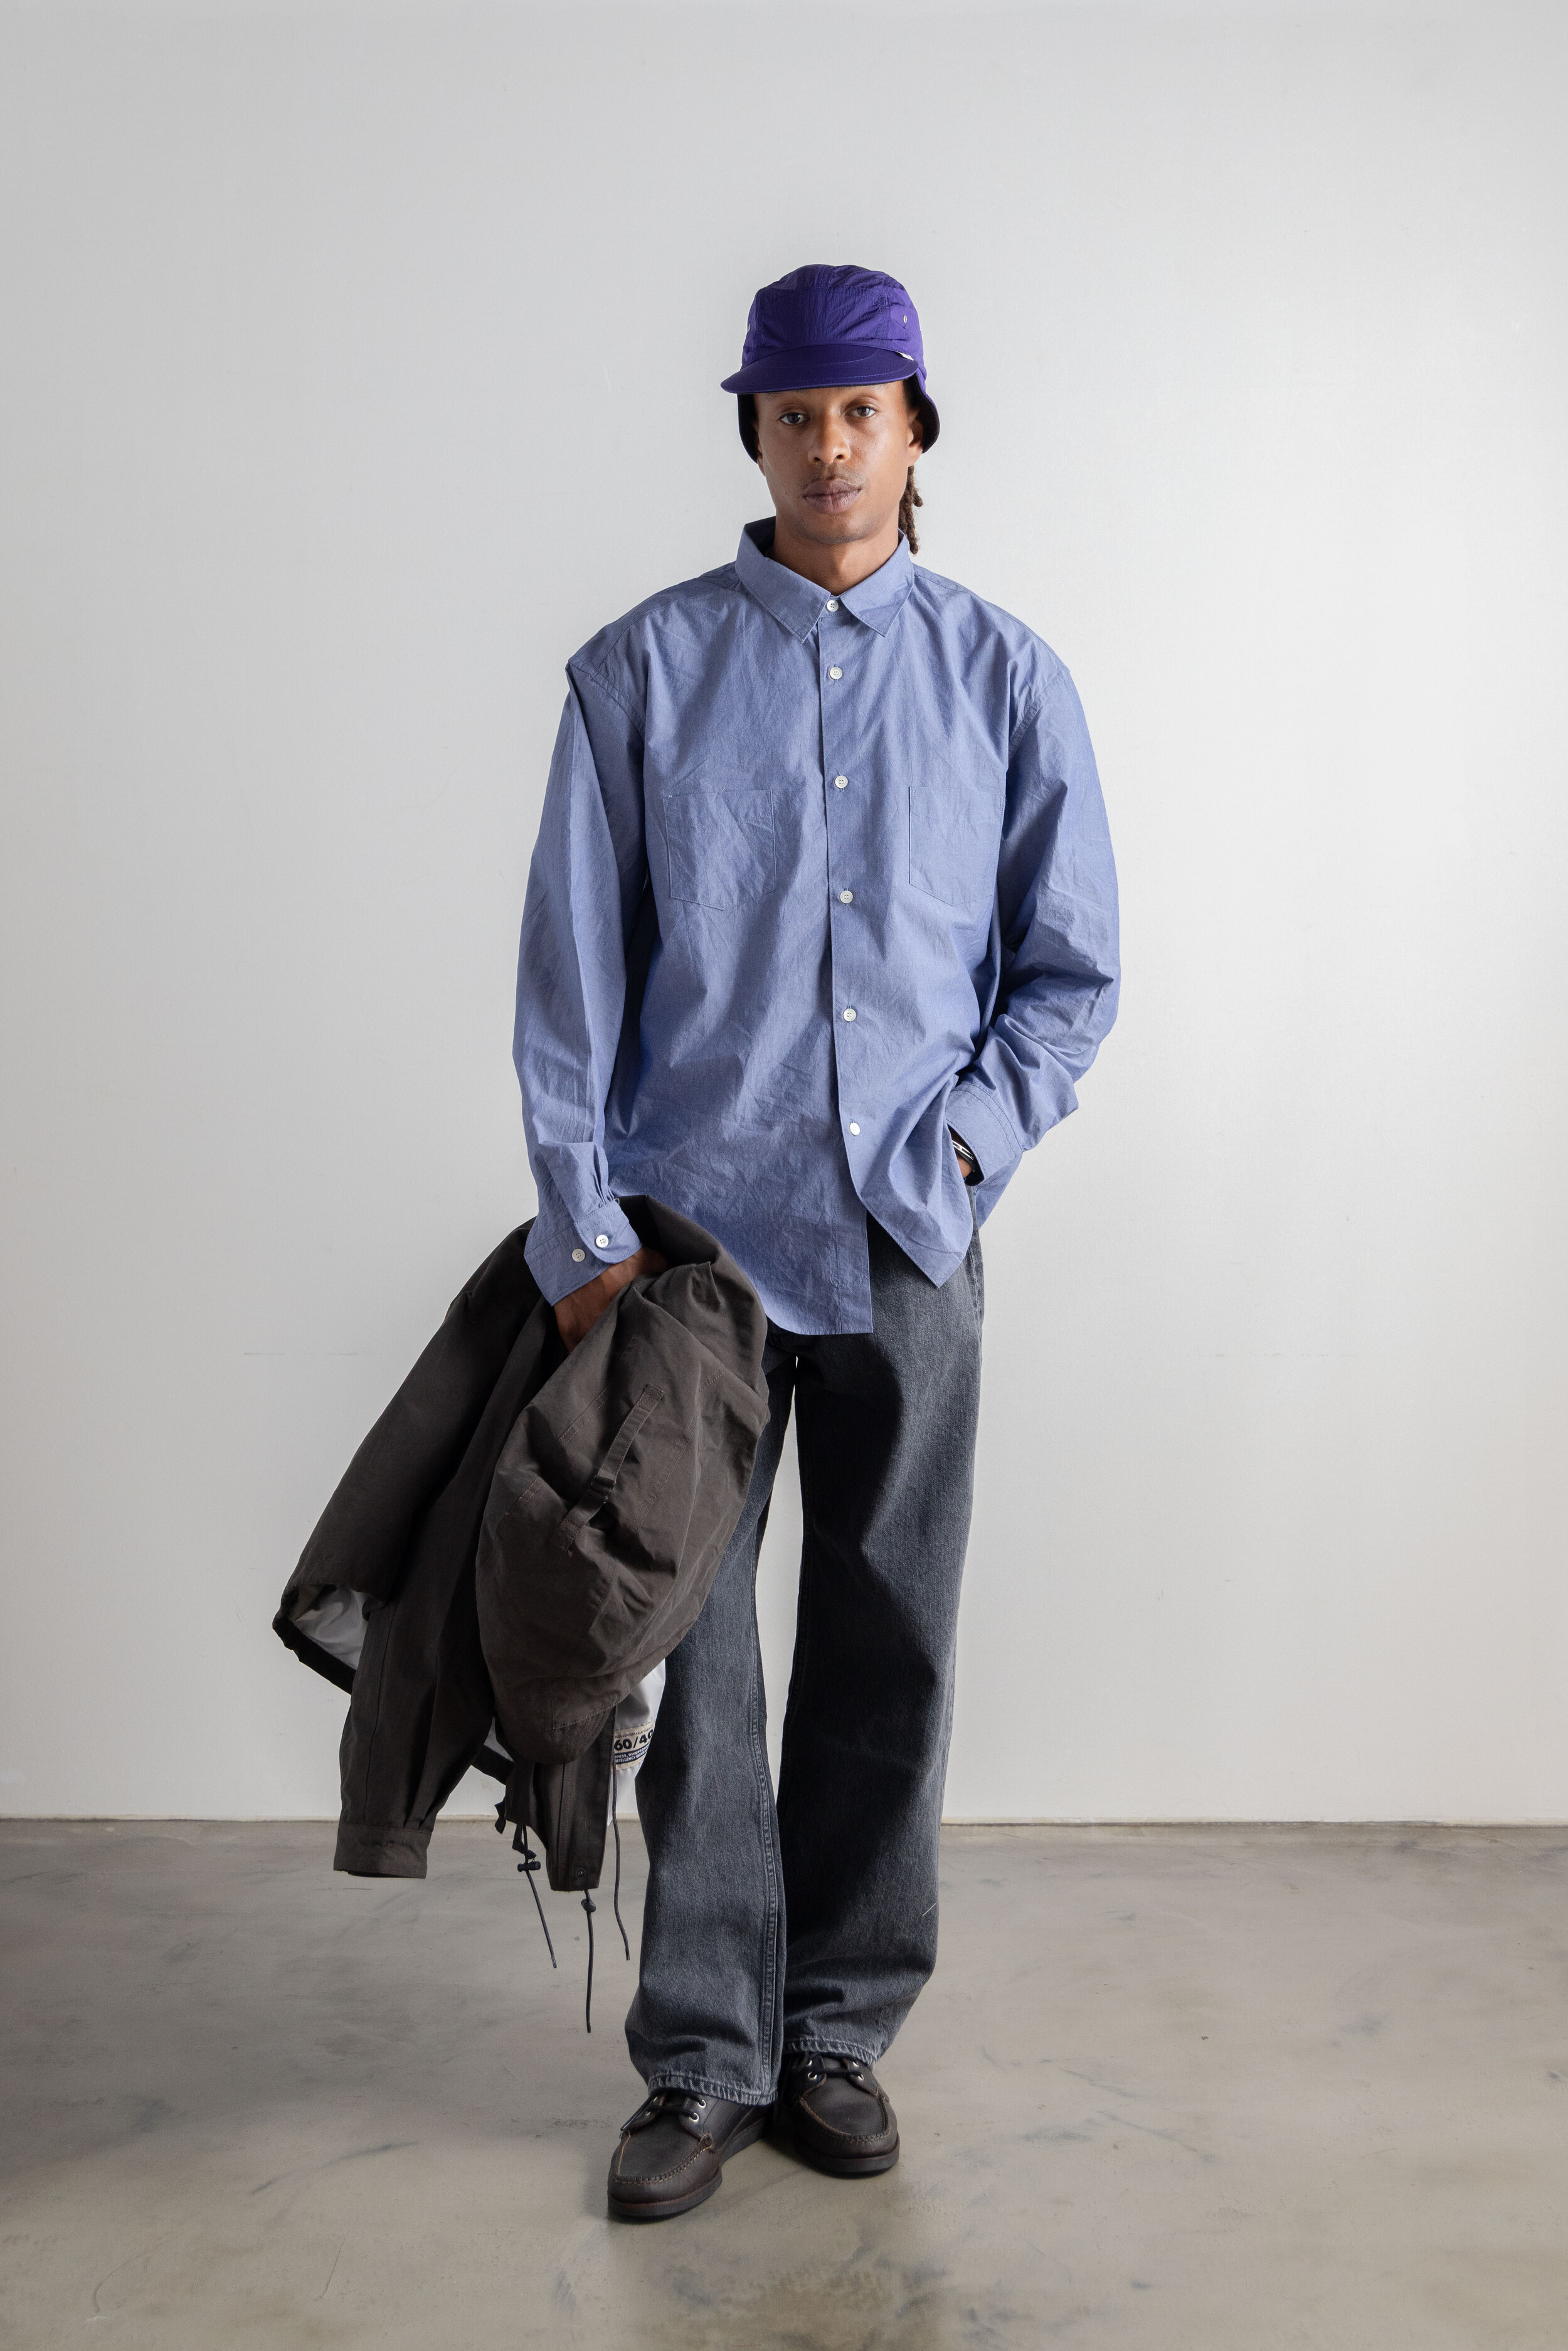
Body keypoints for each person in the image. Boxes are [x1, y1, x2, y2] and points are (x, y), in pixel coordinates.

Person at [513, 262, 1120, 2221]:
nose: (829, 444)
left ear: (914, 428)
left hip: (909, 1237)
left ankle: (837, 2026)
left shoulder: (1007, 678)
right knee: (690, 1656)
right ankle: (702, 2053)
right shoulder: (638, 674)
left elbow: (1069, 974)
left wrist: (966, 1138)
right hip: (688, 1252)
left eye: (862, 409)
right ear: (754, 434)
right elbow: (569, 982)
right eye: (795, 413)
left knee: (892, 1633)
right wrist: (583, 1230)